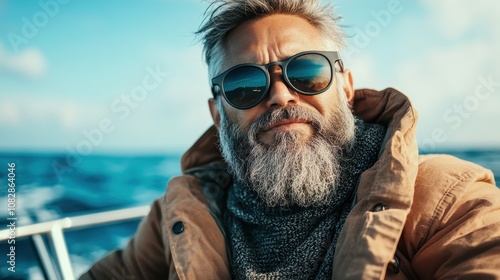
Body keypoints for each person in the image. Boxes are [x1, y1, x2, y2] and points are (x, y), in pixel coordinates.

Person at [80, 0, 500, 279]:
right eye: (245, 85)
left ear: (346, 88)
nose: (281, 95)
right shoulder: (181, 213)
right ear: (217, 112)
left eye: (307, 72)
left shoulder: (447, 200)